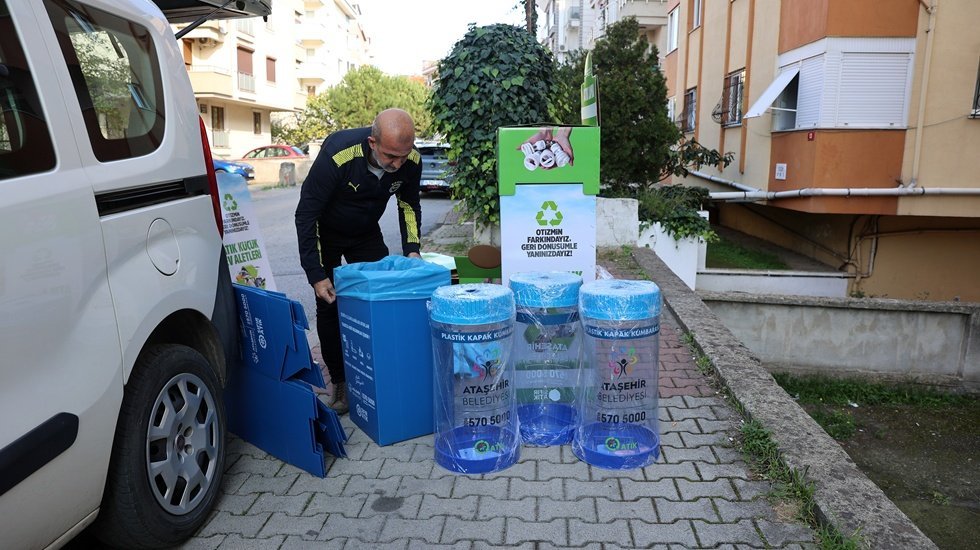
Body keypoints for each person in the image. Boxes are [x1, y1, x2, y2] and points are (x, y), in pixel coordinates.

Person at [295, 108, 423, 414]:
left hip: (365, 234)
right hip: (325, 233)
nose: (397, 165)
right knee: (330, 306)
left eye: (403, 157)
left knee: (381, 299)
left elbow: (409, 204)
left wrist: (413, 249)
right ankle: (340, 383)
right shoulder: (339, 155)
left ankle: (380, 373)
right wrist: (316, 274)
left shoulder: (410, 160)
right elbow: (306, 214)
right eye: (391, 156)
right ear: (372, 142)